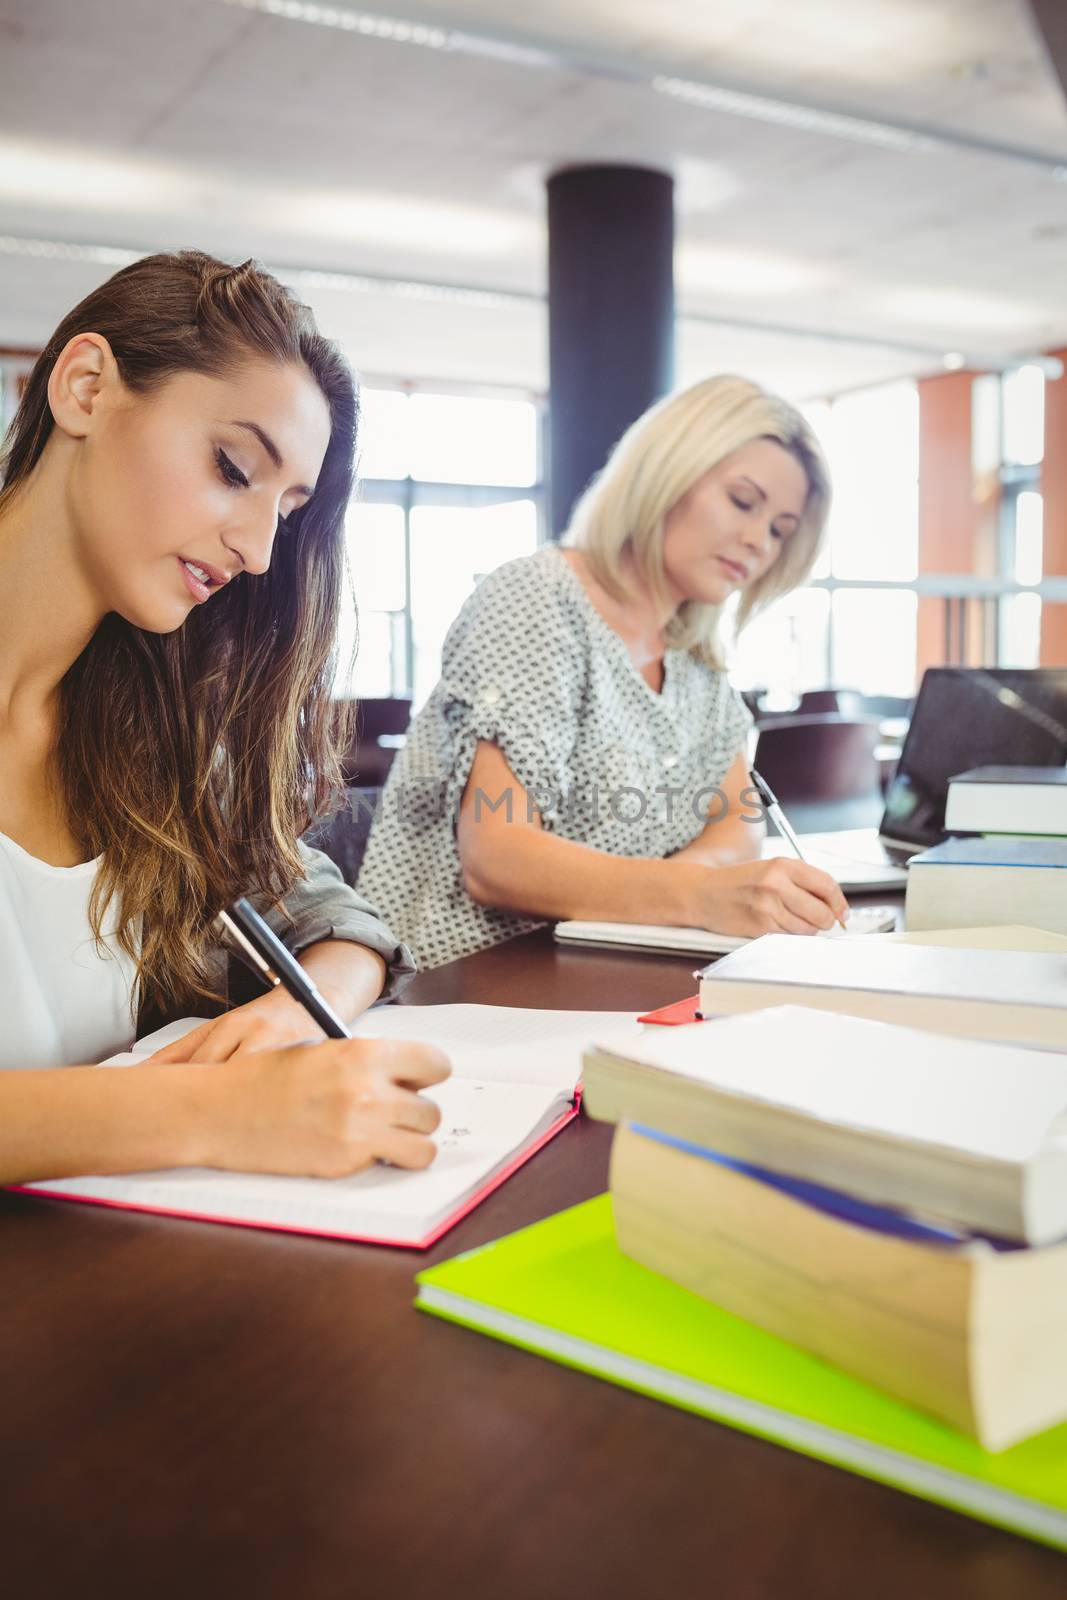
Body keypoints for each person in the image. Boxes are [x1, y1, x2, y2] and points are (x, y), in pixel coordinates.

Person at [0, 250, 449, 1185]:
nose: (255, 551)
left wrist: (295, 1009)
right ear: (84, 388)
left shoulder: (142, 728)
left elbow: (335, 917)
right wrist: (210, 1110)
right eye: (231, 467)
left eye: (287, 511)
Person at [359, 375, 849, 969]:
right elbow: (498, 859)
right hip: (462, 986)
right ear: (668, 474)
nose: (757, 541)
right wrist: (699, 895)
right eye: (743, 502)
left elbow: (737, 832)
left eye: (779, 531)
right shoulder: (538, 599)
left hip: (607, 973)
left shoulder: (701, 669)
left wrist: (681, 895)